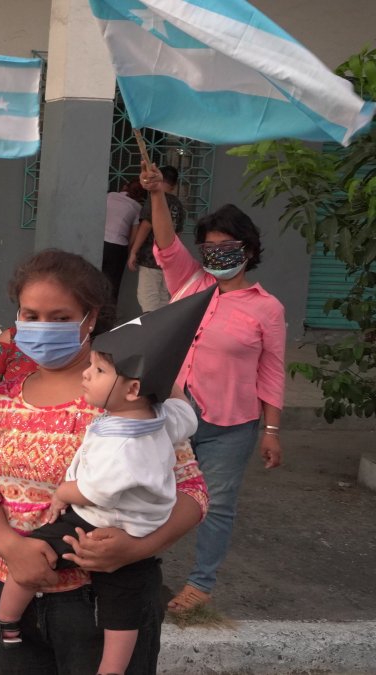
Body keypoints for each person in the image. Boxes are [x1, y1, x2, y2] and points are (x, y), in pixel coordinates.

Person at [0, 249, 209, 674]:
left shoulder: (129, 399)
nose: (42, 328)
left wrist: (136, 548)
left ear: (90, 318)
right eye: (31, 314)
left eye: (60, 317)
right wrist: (11, 548)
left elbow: (192, 492)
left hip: (102, 604)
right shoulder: (6, 393)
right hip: (8, 593)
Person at [141, 163, 286, 616]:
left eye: (228, 246)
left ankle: (200, 585)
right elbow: (165, 241)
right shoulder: (188, 282)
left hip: (231, 426)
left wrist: (272, 430)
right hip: (172, 417)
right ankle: (138, 568)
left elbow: (273, 371)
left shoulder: (268, 309)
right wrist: (158, 195)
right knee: (150, 492)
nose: (218, 254)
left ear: (249, 248)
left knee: (216, 505)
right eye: (210, 246)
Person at [128, 166, 187, 312]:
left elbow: (146, 226)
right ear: (173, 186)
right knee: (163, 299)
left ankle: (152, 331)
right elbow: (178, 234)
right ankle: (164, 330)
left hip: (150, 258)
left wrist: (133, 251)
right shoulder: (178, 206)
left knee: (148, 298)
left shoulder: (155, 199)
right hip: (168, 260)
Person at [102, 180, 146, 302]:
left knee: (94, 279)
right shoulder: (138, 208)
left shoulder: (109, 196)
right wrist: (129, 252)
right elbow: (134, 234)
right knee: (112, 285)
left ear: (124, 187)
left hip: (100, 242)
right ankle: (108, 317)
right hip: (118, 247)